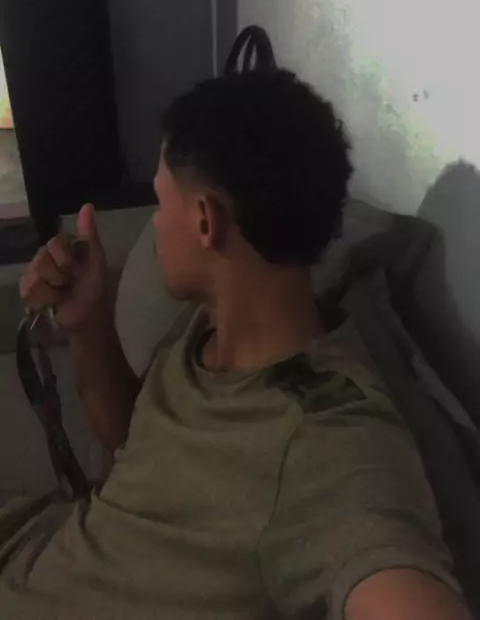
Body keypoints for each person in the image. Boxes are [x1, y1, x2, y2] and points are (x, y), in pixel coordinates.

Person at [3, 67, 471, 620]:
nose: (156, 226)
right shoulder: (208, 324)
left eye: (160, 203)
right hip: (35, 541)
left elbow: (401, 582)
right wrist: (88, 323)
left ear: (206, 221)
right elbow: (137, 445)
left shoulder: (326, 439)